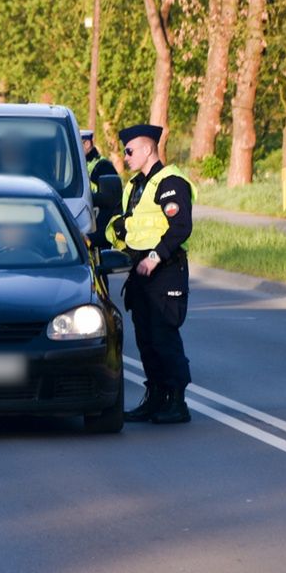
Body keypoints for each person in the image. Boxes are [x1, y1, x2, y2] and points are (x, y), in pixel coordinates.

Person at [106, 124, 195, 424]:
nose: (126, 156)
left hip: (164, 270)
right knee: (145, 338)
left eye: (129, 151)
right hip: (141, 272)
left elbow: (181, 227)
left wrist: (155, 257)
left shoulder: (170, 182)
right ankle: (155, 397)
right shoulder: (135, 186)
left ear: (147, 149)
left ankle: (176, 402)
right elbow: (131, 226)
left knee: (163, 336)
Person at [82, 128, 119, 247]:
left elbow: (109, 199)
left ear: (87, 144)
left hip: (97, 226)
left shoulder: (103, 166)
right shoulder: (74, 164)